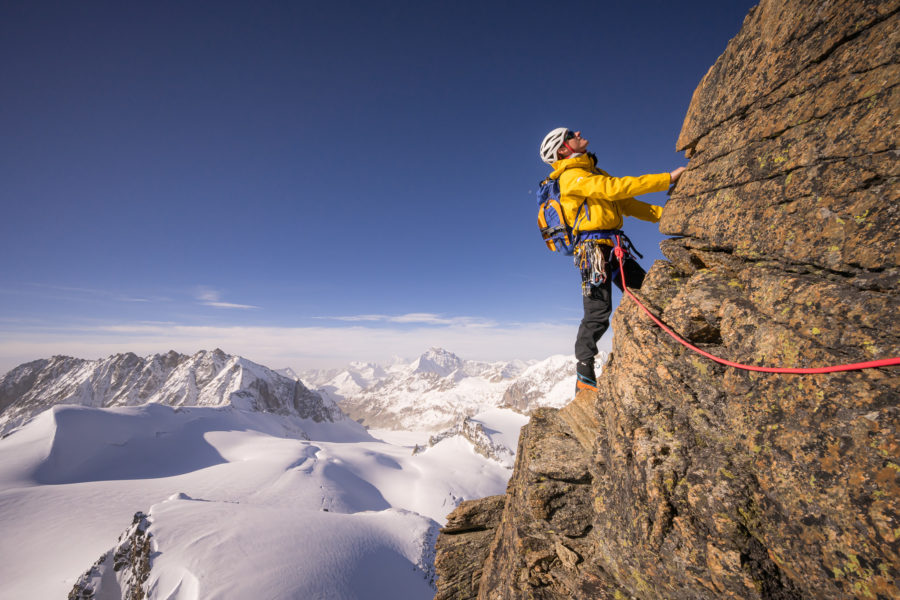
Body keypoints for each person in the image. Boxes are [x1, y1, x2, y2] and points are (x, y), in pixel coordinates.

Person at [539, 127, 685, 393]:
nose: (578, 133)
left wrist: (671, 215)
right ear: (563, 149)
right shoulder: (572, 177)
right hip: (593, 252)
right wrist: (666, 179)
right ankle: (584, 372)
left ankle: (667, 339)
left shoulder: (594, 173)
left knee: (646, 291)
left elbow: (626, 203)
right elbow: (613, 189)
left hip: (613, 247)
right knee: (598, 312)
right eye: (571, 134)